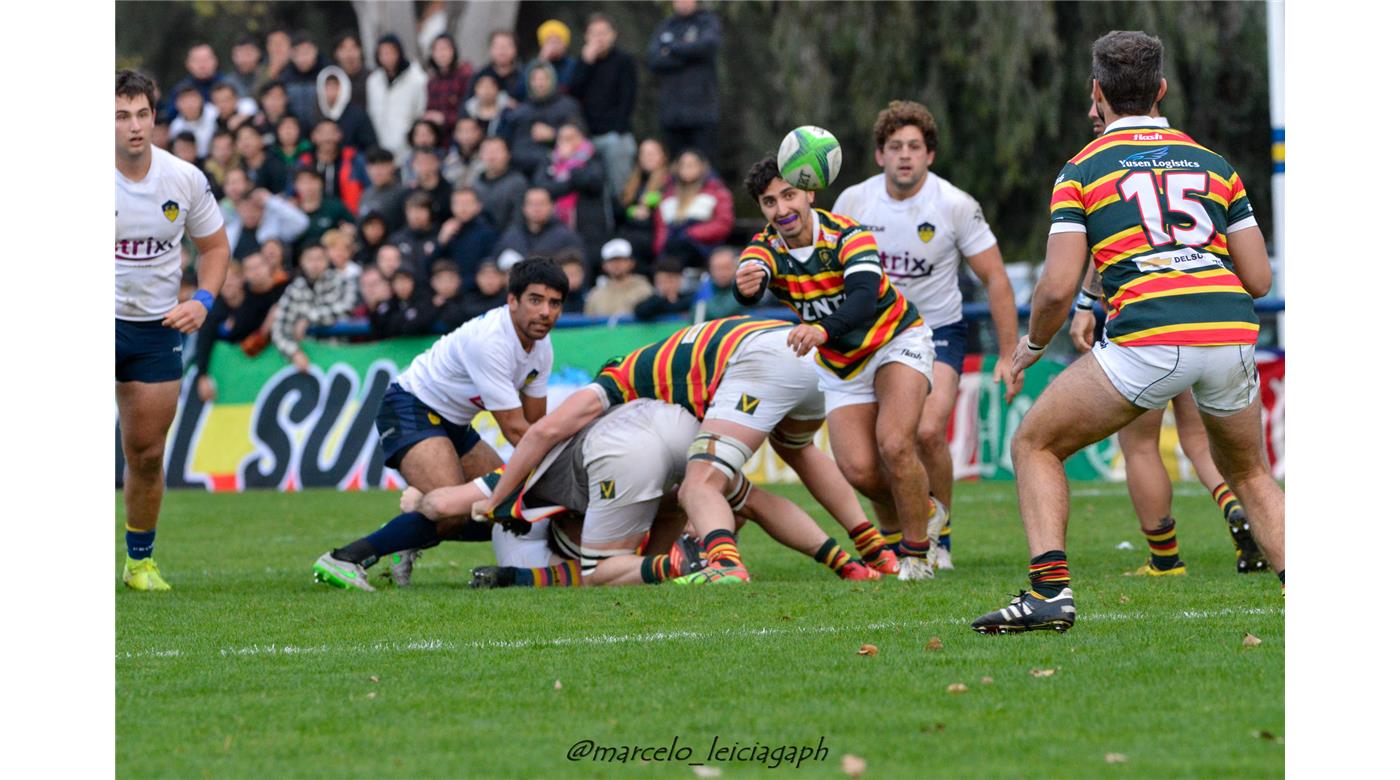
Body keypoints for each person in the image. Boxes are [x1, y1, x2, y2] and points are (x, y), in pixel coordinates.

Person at [970, 31, 1285, 634]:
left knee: (1035, 445)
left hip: (1151, 336)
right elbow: (1260, 278)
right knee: (1250, 474)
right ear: (1161, 90)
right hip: (1229, 332)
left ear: (1097, 92)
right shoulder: (1216, 165)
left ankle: (1049, 595)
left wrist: (1032, 347)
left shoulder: (1083, 168)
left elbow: (1058, 287)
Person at [474, 315, 899, 585]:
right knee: (781, 466)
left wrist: (497, 499)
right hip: (805, 353)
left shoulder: (620, 381)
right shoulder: (670, 389)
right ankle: (864, 556)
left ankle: (724, 566)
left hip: (760, 361)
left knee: (697, 488)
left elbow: (543, 432)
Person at [1066, 96, 1269, 576]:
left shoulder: (1095, 166)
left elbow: (1101, 249)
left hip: (1146, 326)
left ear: (1103, 102)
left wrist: (1080, 306)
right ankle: (1231, 506)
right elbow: (1258, 275)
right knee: (1205, 443)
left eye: (1096, 109)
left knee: (1139, 445)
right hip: (1212, 325)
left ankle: (1164, 558)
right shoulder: (1203, 160)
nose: (1094, 117)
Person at [832, 100, 1022, 570]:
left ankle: (942, 536)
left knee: (927, 431)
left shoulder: (954, 205)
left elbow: (996, 279)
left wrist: (1008, 353)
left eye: (914, 147)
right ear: (879, 155)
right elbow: (829, 273)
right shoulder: (854, 202)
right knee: (877, 451)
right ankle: (903, 533)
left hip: (935, 330)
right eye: (894, 146)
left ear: (929, 155)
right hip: (869, 337)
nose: (904, 155)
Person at [735, 155, 941, 580]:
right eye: (769, 202)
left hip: (894, 341)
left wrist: (821, 330)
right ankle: (925, 508)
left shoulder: (850, 235)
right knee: (859, 471)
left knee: (895, 444)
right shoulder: (766, 246)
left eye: (789, 195)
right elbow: (752, 277)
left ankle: (917, 557)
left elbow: (864, 300)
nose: (782, 209)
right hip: (842, 364)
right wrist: (746, 285)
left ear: (810, 193)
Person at [312, 259, 569, 589]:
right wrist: (563, 469)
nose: (546, 312)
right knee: (454, 512)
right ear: (512, 300)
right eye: (536, 300)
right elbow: (518, 431)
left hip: (454, 423)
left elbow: (535, 424)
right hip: (410, 406)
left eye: (555, 303)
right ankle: (345, 558)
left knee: (506, 509)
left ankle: (407, 532)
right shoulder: (491, 341)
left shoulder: (541, 347)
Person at [116, 70, 230, 590]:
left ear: (155, 117)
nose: (134, 127)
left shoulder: (183, 178)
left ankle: (139, 562)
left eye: (142, 114)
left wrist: (203, 299)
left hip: (156, 328)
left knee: (146, 453)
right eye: (121, 116)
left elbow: (214, 248)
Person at [193, 251, 288, 402]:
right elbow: (203, 343)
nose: (228, 284)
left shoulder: (257, 299)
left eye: (232, 279)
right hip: (231, 374)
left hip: (264, 367)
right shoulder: (213, 311)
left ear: (242, 279)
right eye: (223, 280)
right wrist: (202, 376)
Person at [569, 13, 638, 202]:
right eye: (594, 33)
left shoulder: (624, 61)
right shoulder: (582, 62)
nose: (599, 38)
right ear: (586, 37)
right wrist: (585, 64)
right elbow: (573, 94)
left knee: (618, 182)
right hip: (586, 135)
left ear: (613, 34)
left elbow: (628, 98)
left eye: (604, 33)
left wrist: (617, 129)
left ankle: (621, 216)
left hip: (615, 133)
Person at [646, 0, 722, 160]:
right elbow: (654, 60)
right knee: (676, 166)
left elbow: (707, 47)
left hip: (702, 112)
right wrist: (689, 54)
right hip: (672, 114)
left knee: (703, 164)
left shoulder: (707, 22)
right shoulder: (666, 26)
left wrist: (672, 48)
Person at [532, 121, 611, 261]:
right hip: (558, 227)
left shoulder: (594, 157)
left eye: (571, 138)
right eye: (562, 138)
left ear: (582, 138)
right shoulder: (550, 160)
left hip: (588, 228)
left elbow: (593, 182)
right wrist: (570, 182)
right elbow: (542, 187)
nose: (567, 143)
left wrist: (570, 163)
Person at [270, 244, 357, 371]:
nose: (315, 264)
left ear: (327, 260)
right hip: (307, 360)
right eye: (310, 259)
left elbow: (348, 308)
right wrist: (294, 352)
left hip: (340, 357)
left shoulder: (342, 281)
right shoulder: (294, 289)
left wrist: (309, 318)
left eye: (319, 259)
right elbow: (278, 329)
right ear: (301, 261)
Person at [652, 148, 733, 268]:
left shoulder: (717, 191)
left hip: (702, 248)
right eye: (683, 165)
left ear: (702, 166)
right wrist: (660, 248)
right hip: (671, 248)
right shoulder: (667, 194)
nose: (687, 169)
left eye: (691, 165)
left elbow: (723, 224)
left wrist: (691, 234)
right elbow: (661, 229)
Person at [509, 61, 584, 178]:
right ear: (529, 82)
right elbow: (515, 147)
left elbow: (582, 137)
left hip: (564, 168)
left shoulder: (568, 106)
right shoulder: (520, 112)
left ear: (553, 80)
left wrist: (554, 134)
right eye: (535, 79)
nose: (540, 83)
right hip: (524, 171)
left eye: (544, 79)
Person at [366, 33, 428, 163]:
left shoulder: (417, 79)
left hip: (407, 149)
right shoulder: (373, 81)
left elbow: (421, 112)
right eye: (382, 53)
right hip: (381, 148)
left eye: (390, 52)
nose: (387, 57)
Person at [493, 187, 585, 263]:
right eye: (532, 204)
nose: (536, 208)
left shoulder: (567, 237)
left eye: (542, 203)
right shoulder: (511, 236)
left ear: (552, 207)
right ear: (524, 208)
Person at [617, 138, 670, 271]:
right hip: (630, 232)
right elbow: (619, 208)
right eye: (644, 153)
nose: (648, 157)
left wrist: (654, 201)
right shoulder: (633, 181)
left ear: (663, 156)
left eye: (652, 153)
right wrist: (631, 211)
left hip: (653, 235)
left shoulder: (669, 180)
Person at [297, 119, 369, 214]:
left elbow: (369, 190)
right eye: (322, 133)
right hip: (310, 217)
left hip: (347, 217)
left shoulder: (354, 160)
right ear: (313, 136)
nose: (327, 138)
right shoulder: (304, 162)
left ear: (339, 135)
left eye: (332, 132)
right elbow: (291, 192)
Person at [432, 186, 497, 283]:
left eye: (467, 203)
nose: (462, 208)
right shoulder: (448, 230)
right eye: (457, 203)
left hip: (474, 292)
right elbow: (431, 267)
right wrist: (441, 242)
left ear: (478, 206)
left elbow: (487, 269)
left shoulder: (487, 233)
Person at [226, 186, 309, 261]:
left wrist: (270, 200)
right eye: (245, 209)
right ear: (238, 209)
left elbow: (302, 223)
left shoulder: (274, 227)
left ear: (263, 209)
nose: (250, 214)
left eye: (254, 209)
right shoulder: (230, 231)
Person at [291, 165, 355, 253]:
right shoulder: (291, 210)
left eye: (312, 181)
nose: (308, 186)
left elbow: (353, 226)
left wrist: (348, 233)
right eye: (303, 182)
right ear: (295, 185)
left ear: (321, 183)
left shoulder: (334, 206)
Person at [584, 238, 654, 317]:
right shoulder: (595, 295)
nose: (616, 264)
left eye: (621, 260)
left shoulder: (644, 290)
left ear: (631, 263)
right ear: (604, 265)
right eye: (611, 261)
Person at [315, 66, 378, 153]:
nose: (331, 91)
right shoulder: (314, 113)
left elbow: (370, 145)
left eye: (336, 86)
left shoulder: (358, 115)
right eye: (328, 86)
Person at [423, 33, 473, 141]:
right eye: (437, 50)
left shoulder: (465, 76)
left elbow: (470, 110)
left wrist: (444, 118)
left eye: (445, 49)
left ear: (454, 51)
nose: (442, 54)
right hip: (439, 138)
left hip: (462, 136)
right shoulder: (432, 81)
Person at [476, 136, 528, 231]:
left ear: (508, 155)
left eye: (496, 151)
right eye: (487, 151)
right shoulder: (475, 184)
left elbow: (518, 221)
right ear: (480, 155)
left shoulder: (518, 183)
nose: (491, 156)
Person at [389, 191, 442, 278]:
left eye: (421, 210)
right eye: (411, 211)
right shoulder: (396, 239)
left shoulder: (439, 237)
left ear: (429, 212)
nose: (415, 215)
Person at [282, 33, 327, 128]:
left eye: (306, 52)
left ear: (315, 51)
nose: (303, 58)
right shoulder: (285, 77)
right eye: (297, 53)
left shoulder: (327, 73)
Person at [359, 147, 409, 232]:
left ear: (392, 166)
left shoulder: (403, 193)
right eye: (373, 167)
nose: (377, 172)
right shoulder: (366, 194)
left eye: (382, 166)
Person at [692, 245, 744, 321]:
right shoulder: (704, 289)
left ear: (736, 267)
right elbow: (696, 318)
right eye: (717, 268)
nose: (722, 273)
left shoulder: (744, 287)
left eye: (726, 268)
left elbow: (721, 313)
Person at [475, 30, 528, 103]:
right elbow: (466, 107)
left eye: (507, 46)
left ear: (515, 49)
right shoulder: (480, 75)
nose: (502, 50)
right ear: (490, 49)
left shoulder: (525, 75)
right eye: (498, 46)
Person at [633, 256, 693, 321]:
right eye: (662, 281)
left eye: (670, 281)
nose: (666, 285)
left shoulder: (689, 299)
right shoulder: (653, 301)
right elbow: (640, 312)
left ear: (679, 280)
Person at [461, 70, 515, 140]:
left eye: (490, 86)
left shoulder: (508, 110)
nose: (486, 90)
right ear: (475, 89)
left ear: (498, 89)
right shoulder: (467, 110)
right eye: (482, 86)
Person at [169, 84, 219, 158]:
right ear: (177, 104)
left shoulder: (214, 113)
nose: (190, 104)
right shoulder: (176, 127)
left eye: (193, 99)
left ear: (201, 99)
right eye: (184, 100)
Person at [532, 20, 579, 93]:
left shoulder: (572, 65)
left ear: (565, 45)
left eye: (557, 41)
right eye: (549, 41)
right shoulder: (535, 64)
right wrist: (541, 61)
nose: (553, 46)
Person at [331, 32, 370, 110]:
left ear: (360, 50)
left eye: (353, 48)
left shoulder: (373, 78)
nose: (349, 54)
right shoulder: (332, 81)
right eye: (343, 49)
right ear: (336, 54)